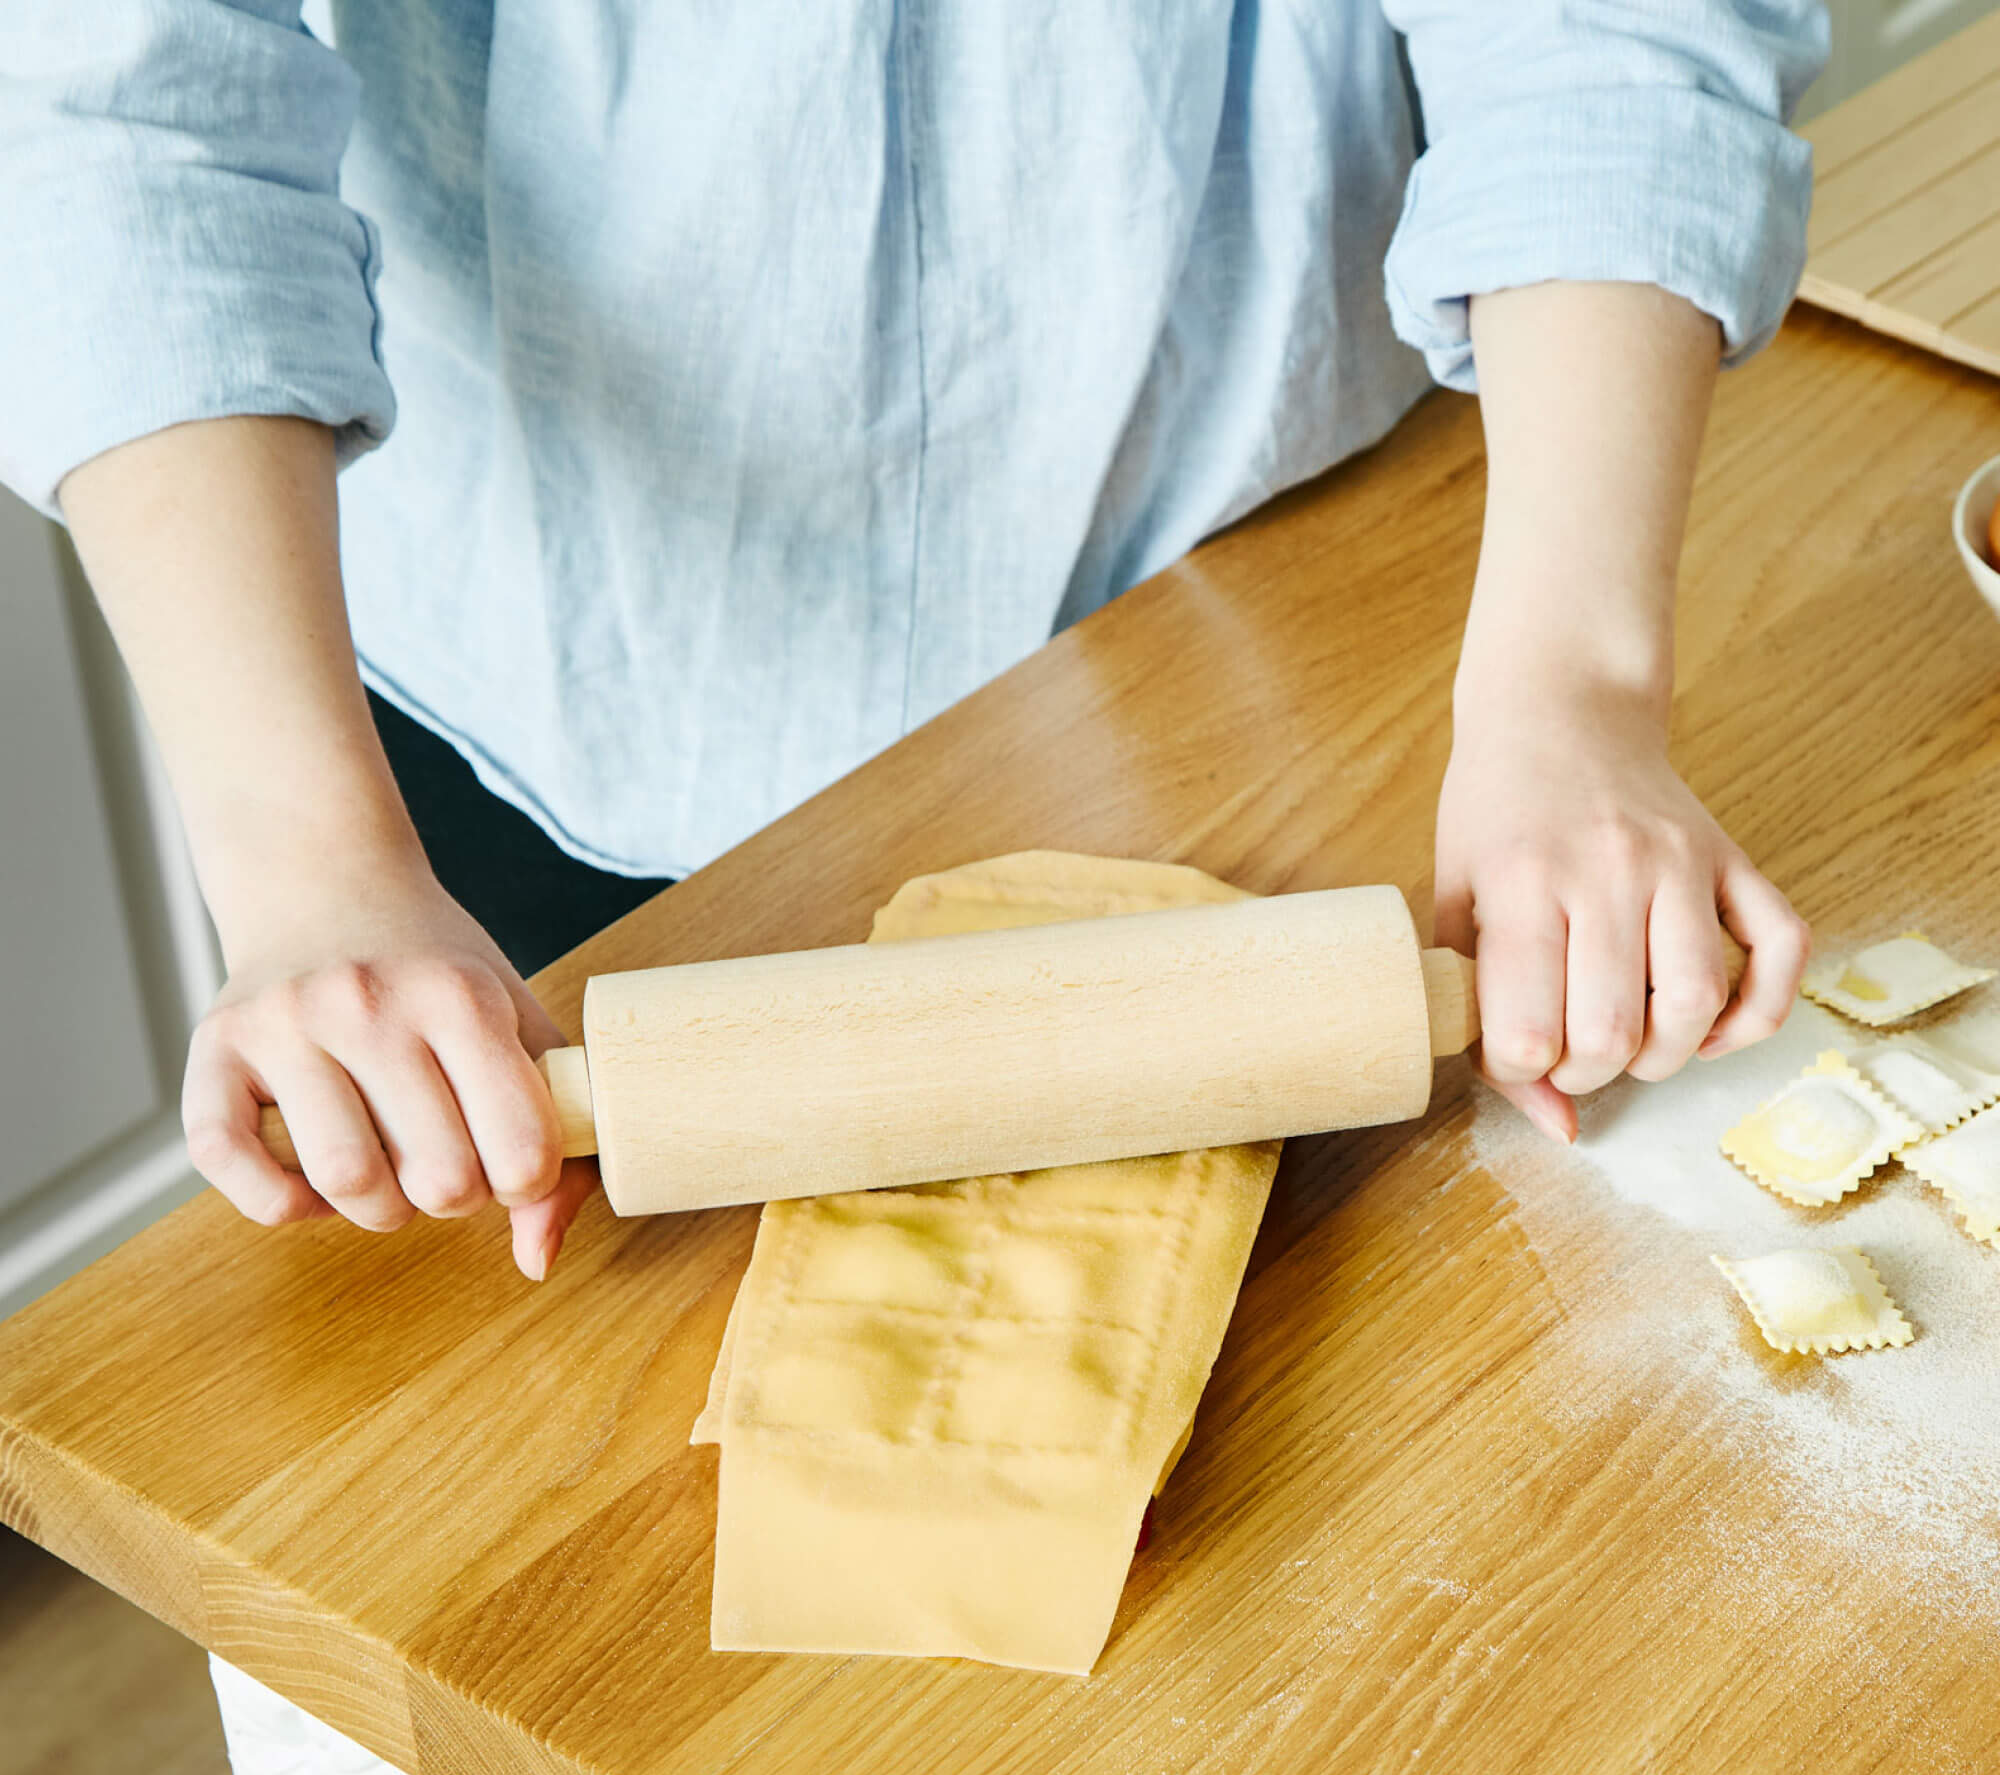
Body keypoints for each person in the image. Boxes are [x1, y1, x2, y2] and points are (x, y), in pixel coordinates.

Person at [2, 1, 1824, 1281]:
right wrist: (313, 865)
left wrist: (1573, 696)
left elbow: (1607, 27)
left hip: (1263, 601)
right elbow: (122, 104)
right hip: (548, 694)